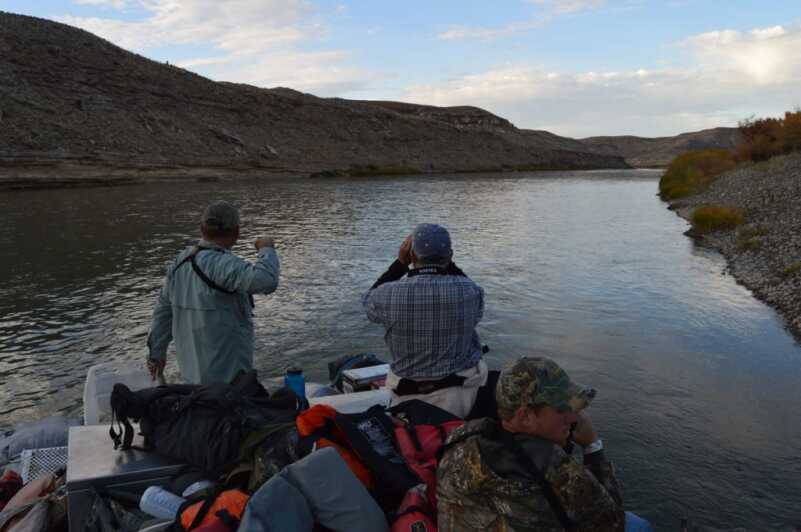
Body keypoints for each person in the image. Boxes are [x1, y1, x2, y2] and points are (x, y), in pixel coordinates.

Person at [437, 356, 653, 532]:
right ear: (526, 417)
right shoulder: (558, 470)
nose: (574, 417)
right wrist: (592, 446)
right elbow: (613, 522)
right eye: (562, 410)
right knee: (637, 525)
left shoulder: (462, 439)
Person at [146, 200, 280, 384]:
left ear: (202, 229)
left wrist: (156, 355)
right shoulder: (222, 264)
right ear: (236, 233)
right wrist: (267, 248)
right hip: (228, 384)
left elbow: (163, 313)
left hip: (192, 381)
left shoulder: (178, 263)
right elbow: (267, 280)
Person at [363, 223, 487, 418]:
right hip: (462, 399)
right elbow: (473, 291)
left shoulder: (387, 294)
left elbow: (367, 302)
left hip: (405, 400)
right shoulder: (471, 291)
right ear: (450, 256)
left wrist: (399, 265)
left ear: (412, 255)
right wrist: (446, 264)